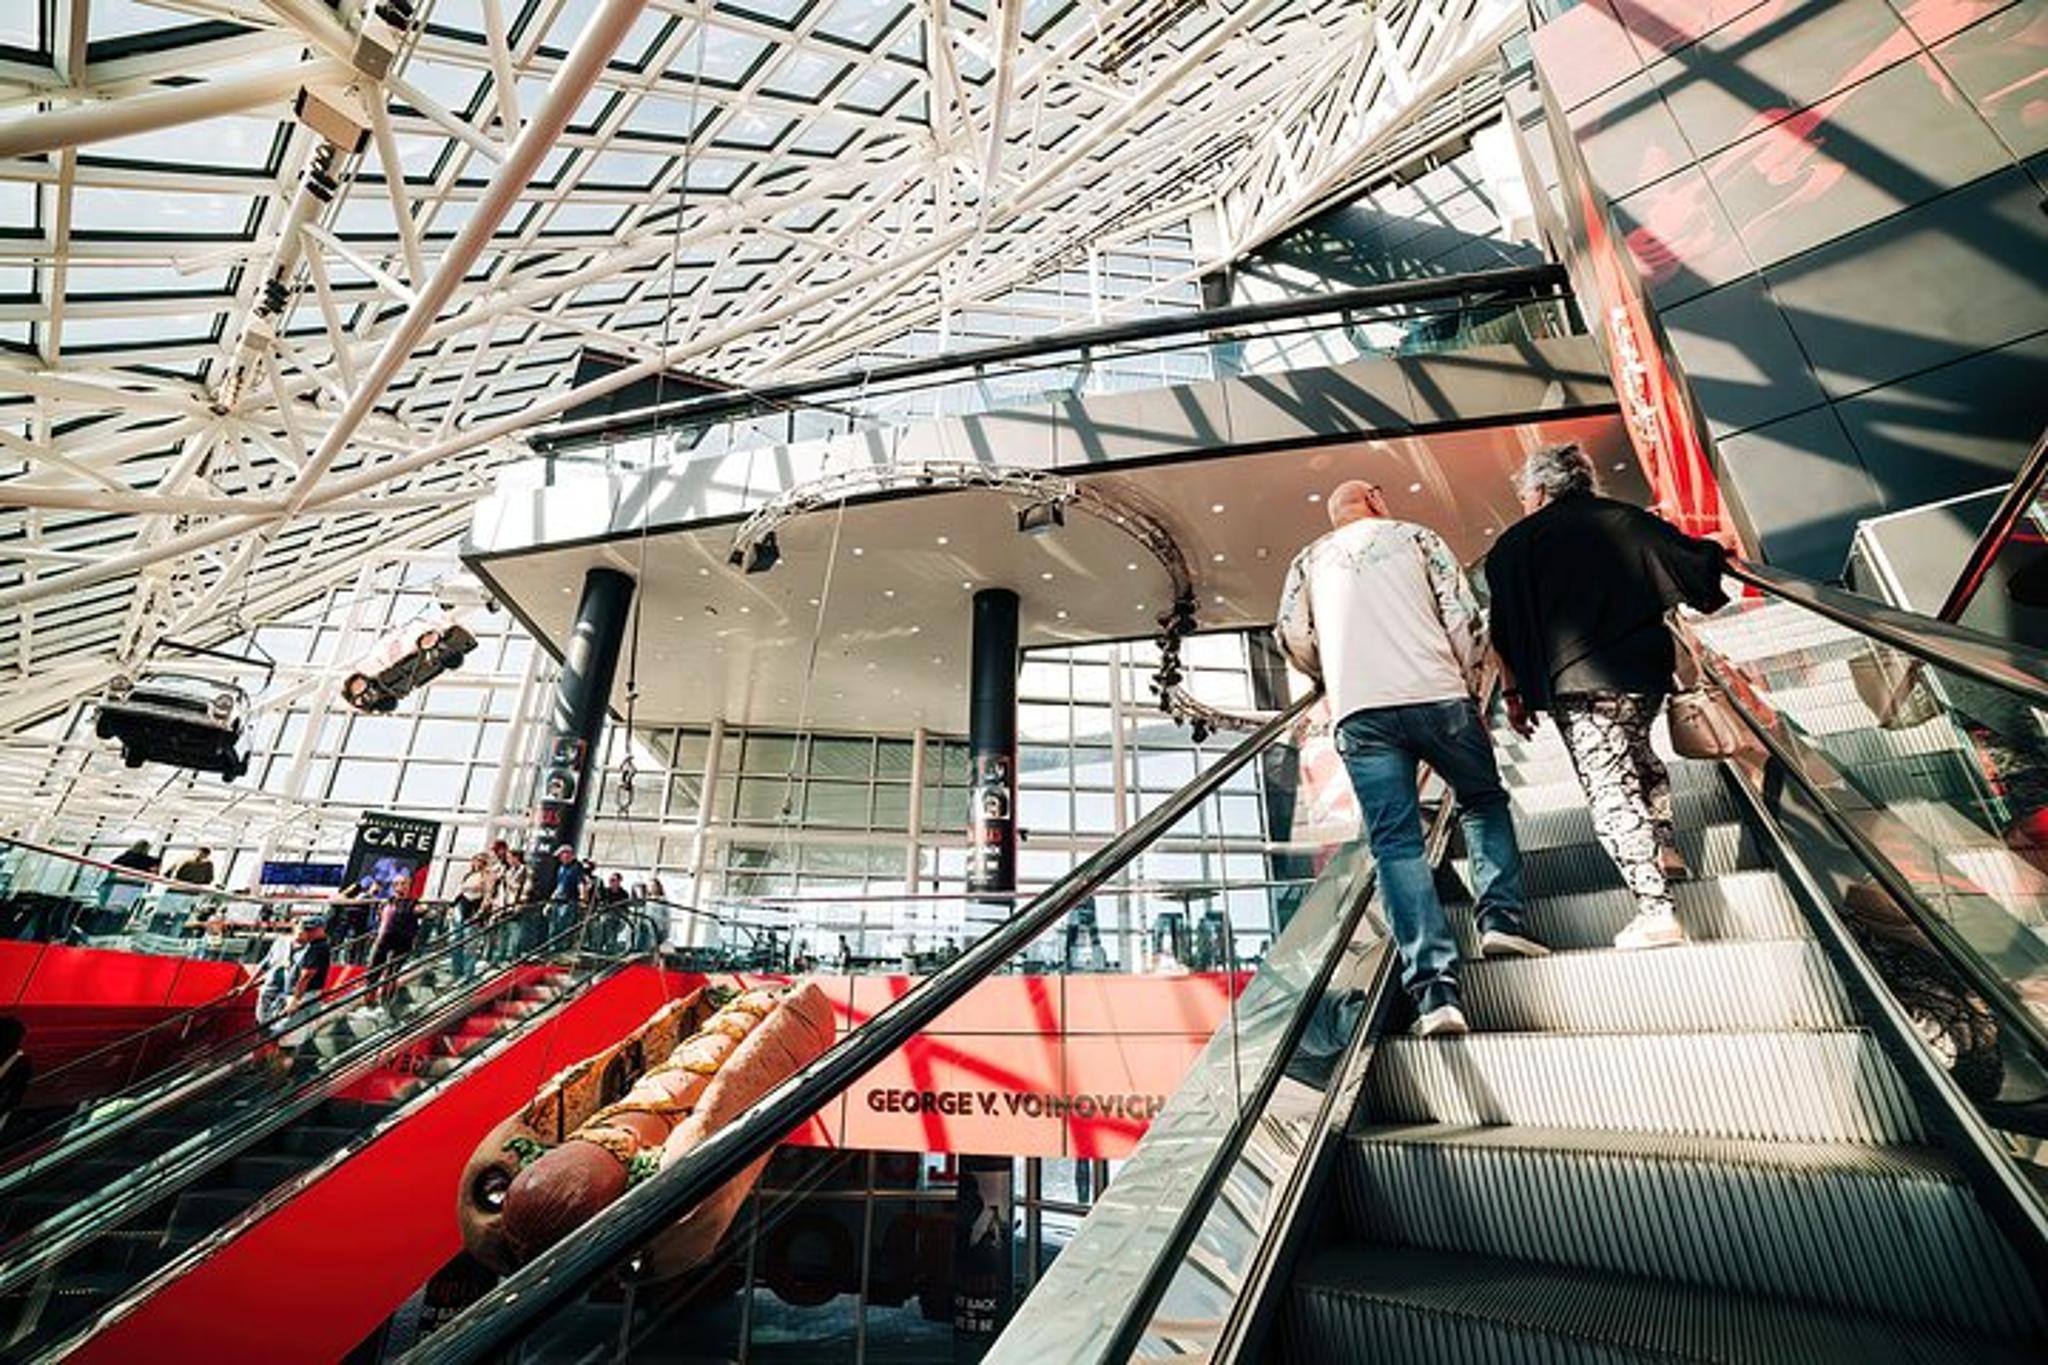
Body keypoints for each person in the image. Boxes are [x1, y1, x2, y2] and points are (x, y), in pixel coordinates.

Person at [1276, 478, 1541, 1038]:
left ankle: (1436, 995)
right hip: (1436, 695)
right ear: (1375, 499)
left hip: (1361, 714)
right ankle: (1499, 918)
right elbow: (1463, 616)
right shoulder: (1416, 538)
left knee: (1396, 847)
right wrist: (1470, 681)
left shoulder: (1307, 560)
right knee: (1482, 801)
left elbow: (1291, 634)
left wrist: (1331, 674)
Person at [1484, 443, 1731, 952]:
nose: (1524, 501)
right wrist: (1717, 548)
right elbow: (1691, 563)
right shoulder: (1622, 518)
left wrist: (1514, 694)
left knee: (1609, 789)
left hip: (1576, 685)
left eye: (1525, 493)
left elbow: (1502, 633)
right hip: (1642, 674)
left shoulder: (1512, 547)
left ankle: (1656, 911)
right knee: (1640, 758)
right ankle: (1663, 847)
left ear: (1540, 489)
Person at [364, 894, 421, 1007]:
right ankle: (371, 997)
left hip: (401, 939)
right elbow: (382, 923)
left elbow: (421, 912)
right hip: (385, 938)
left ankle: (386, 999)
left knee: (392, 971)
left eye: (403, 884)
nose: (400, 888)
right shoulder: (386, 904)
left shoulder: (411, 903)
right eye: (397, 884)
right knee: (376, 968)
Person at [280, 914, 333, 1026]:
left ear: (321, 929)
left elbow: (307, 975)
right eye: (307, 929)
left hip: (305, 995)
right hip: (304, 994)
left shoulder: (318, 947)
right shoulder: (313, 945)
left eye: (311, 930)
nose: (308, 932)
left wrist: (295, 1000)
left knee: (290, 1031)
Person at [543, 845, 589, 946]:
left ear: (568, 854)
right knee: (554, 927)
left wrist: (583, 900)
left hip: (568, 902)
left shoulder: (577, 867)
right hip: (558, 901)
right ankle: (553, 948)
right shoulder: (561, 868)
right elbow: (559, 886)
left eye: (561, 855)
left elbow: (581, 884)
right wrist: (549, 903)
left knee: (564, 928)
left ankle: (562, 949)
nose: (560, 858)